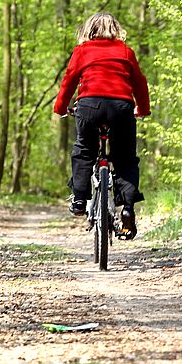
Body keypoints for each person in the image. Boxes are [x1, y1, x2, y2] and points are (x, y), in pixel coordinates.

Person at [53, 12, 151, 239]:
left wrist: (60, 108)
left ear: (89, 30)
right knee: (125, 159)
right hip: (121, 107)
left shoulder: (82, 51)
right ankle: (127, 207)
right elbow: (139, 82)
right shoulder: (126, 51)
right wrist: (142, 109)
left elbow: (69, 79)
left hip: (89, 105)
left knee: (84, 150)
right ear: (116, 29)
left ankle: (79, 198)